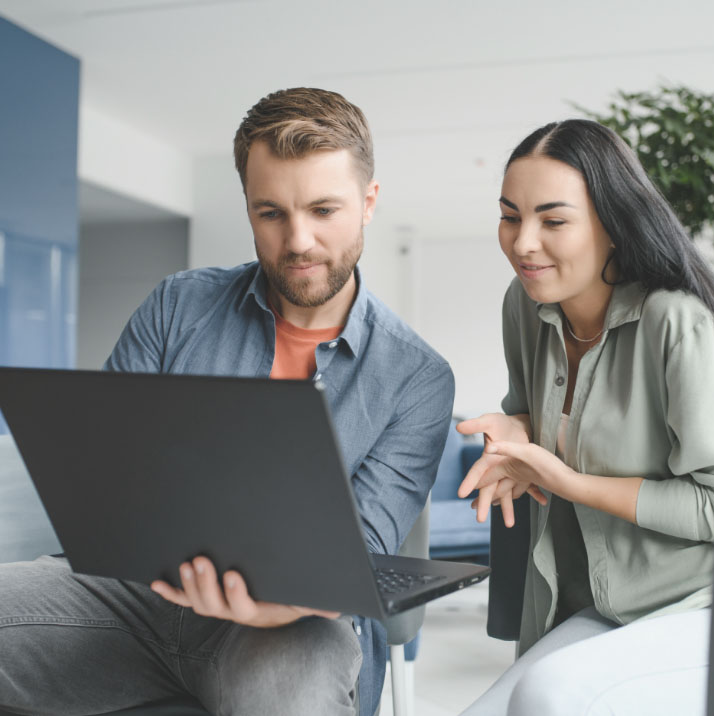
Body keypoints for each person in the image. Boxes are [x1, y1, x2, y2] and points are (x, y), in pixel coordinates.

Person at [0, 88, 455, 716]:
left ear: (369, 202)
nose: (299, 241)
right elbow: (105, 475)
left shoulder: (418, 377)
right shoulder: (177, 306)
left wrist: (282, 599)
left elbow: (362, 551)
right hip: (133, 595)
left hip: (294, 623)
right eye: (271, 213)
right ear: (247, 205)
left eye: (324, 209)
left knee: (290, 694)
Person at [456, 119, 714, 715]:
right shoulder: (526, 307)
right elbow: (540, 416)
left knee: (549, 699)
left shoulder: (676, 324)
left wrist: (569, 484)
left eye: (553, 220)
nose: (523, 242)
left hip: (707, 606)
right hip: (603, 608)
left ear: (613, 224)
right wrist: (517, 431)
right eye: (510, 216)